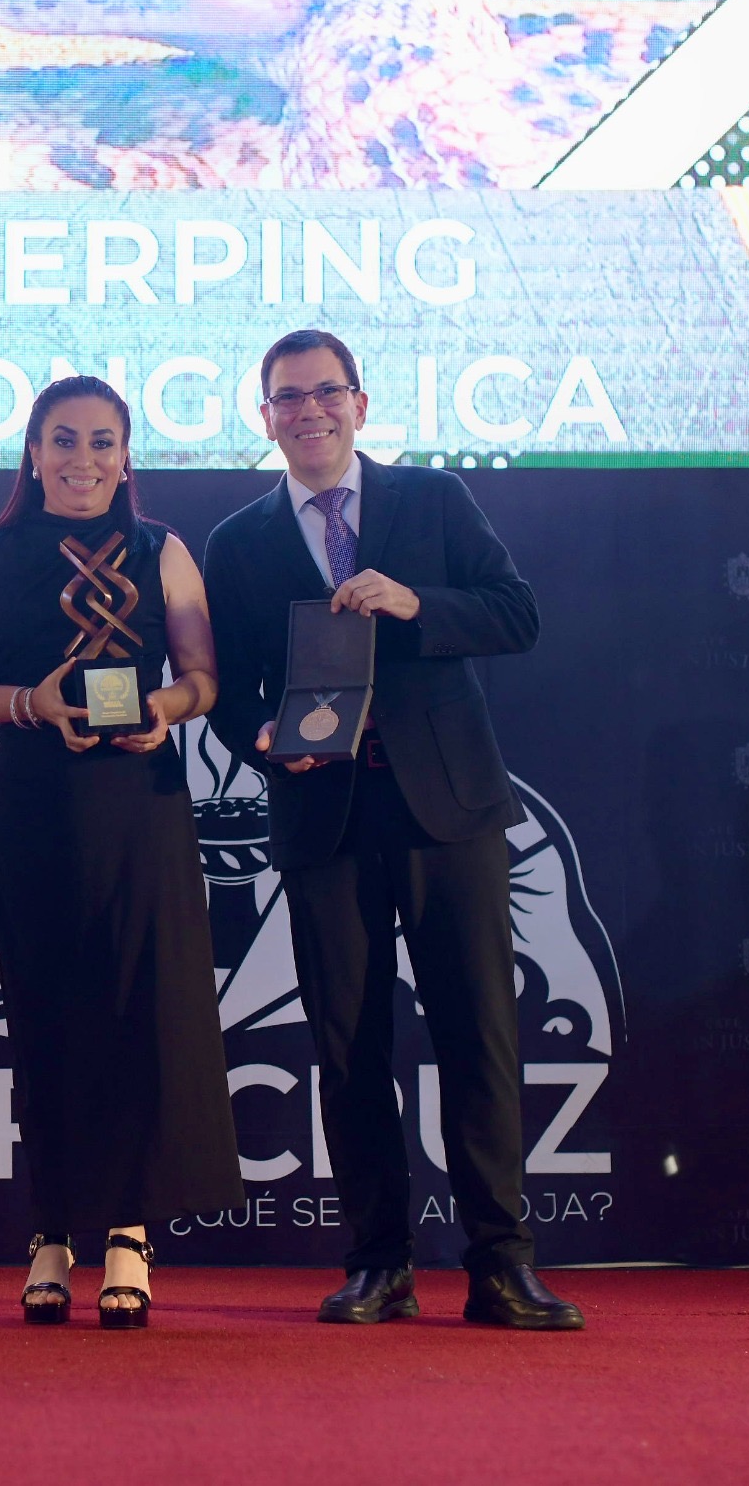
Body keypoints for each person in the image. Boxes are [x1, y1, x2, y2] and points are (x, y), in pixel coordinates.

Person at [202, 329, 582, 1331]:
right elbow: (227, 692)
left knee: (478, 1035)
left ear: (360, 405)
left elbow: (516, 614)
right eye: (288, 398)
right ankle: (378, 1262)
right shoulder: (236, 542)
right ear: (265, 418)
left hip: (446, 810)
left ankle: (501, 1264)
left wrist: (414, 603)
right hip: (322, 815)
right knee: (348, 1046)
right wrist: (264, 740)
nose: (309, 411)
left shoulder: (434, 499)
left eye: (326, 392)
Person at [0, 376, 243, 1328]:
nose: (83, 459)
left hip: (142, 808)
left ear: (127, 455)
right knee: (47, 1016)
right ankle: (53, 1233)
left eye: (103, 441)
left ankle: (130, 1236)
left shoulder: (164, 550)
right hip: (34, 808)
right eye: (63, 439)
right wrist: (30, 703)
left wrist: (165, 709)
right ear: (32, 452)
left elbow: (204, 677)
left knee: (141, 1014)